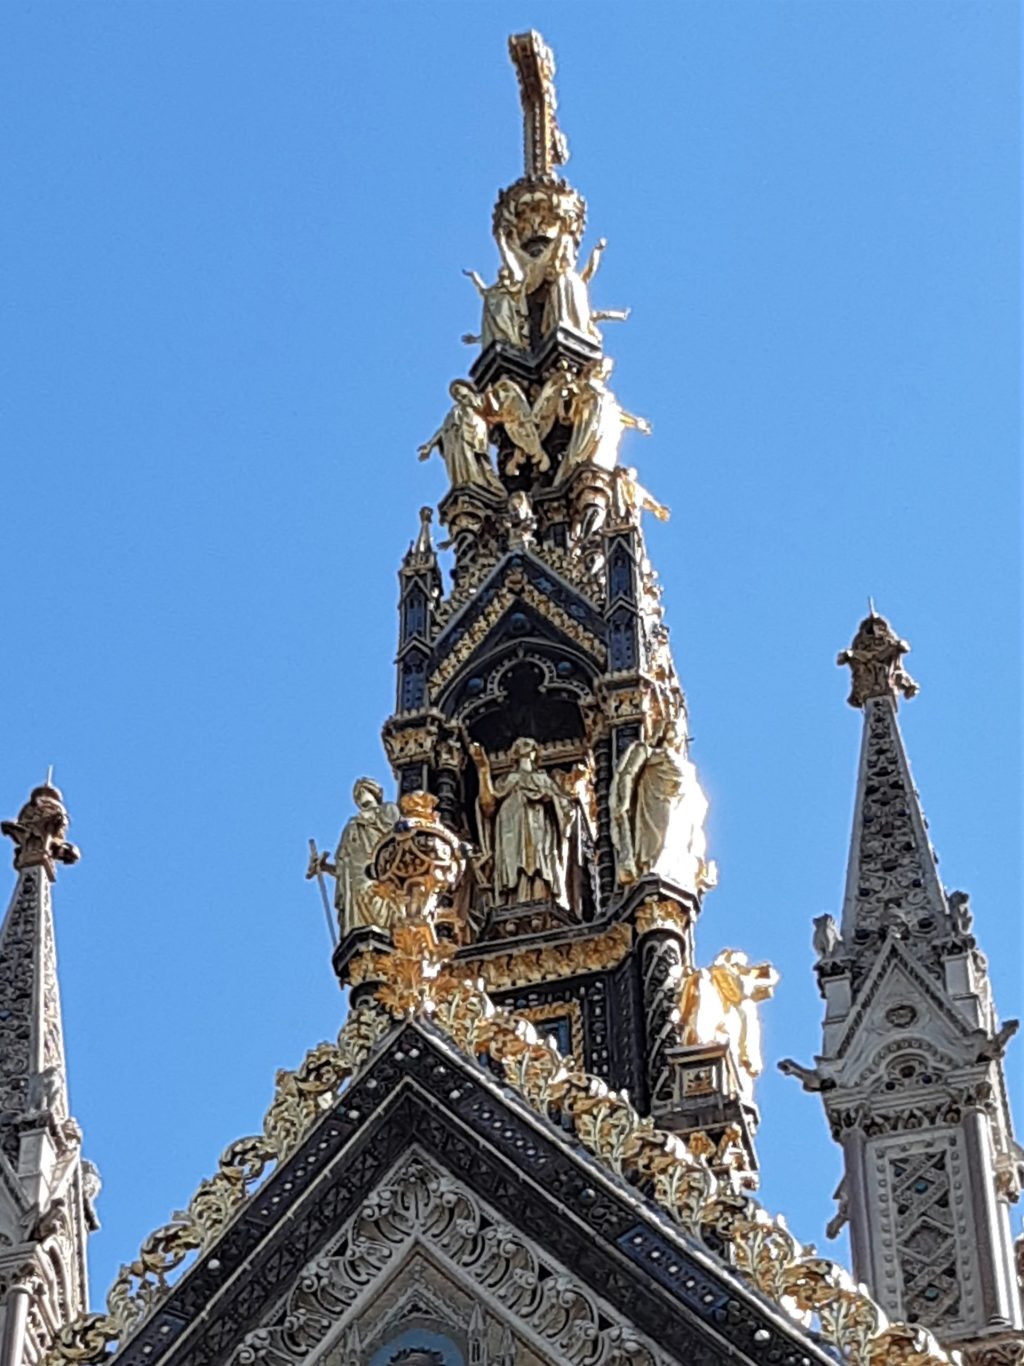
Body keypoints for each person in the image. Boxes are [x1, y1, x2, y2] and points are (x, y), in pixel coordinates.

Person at [469, 737, 577, 909]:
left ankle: (542, 896)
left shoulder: (544, 780)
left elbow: (567, 810)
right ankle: (511, 900)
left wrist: (551, 799)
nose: (525, 747)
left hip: (539, 826)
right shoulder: (506, 781)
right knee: (514, 865)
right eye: (520, 745)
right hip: (511, 827)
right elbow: (487, 807)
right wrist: (483, 769)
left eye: (529, 745)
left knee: (539, 863)